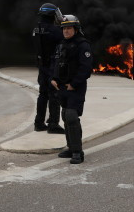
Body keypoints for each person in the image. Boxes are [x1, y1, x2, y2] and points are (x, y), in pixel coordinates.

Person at [51, 15, 93, 165]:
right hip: (62, 87)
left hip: (75, 88)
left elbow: (86, 68)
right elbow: (55, 62)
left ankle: (77, 152)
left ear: (76, 29)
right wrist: (53, 78)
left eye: (69, 28)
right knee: (65, 116)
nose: (66, 31)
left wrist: (74, 84)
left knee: (71, 116)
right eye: (64, 28)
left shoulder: (83, 45)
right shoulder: (61, 44)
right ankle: (70, 147)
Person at [31, 3, 65, 134]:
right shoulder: (56, 31)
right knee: (54, 95)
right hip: (52, 66)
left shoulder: (36, 29)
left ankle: (39, 123)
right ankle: (53, 124)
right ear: (52, 15)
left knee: (42, 95)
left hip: (41, 65)